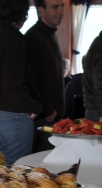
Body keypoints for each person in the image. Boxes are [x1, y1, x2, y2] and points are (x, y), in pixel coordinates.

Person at [0, 0, 42, 163]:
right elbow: (12, 89)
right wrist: (36, 106)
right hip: (12, 118)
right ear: (23, 15)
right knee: (15, 172)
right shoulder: (15, 42)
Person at [24, 0, 64, 153]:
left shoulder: (50, 34)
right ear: (41, 11)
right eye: (55, 7)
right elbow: (28, 81)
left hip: (52, 117)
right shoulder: (33, 38)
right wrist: (47, 109)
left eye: (62, 6)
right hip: (42, 119)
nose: (61, 12)